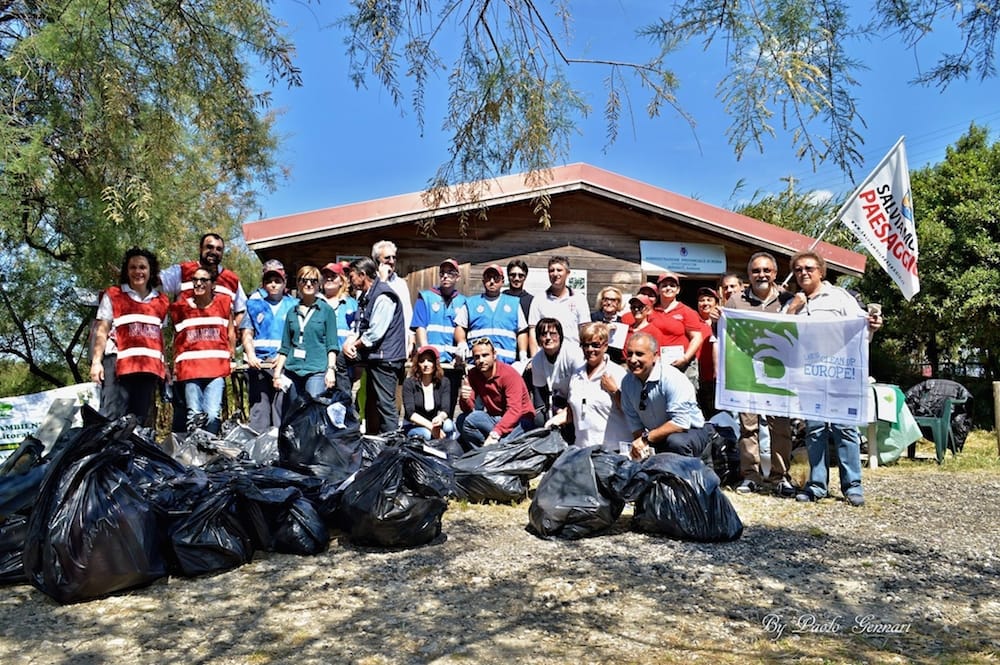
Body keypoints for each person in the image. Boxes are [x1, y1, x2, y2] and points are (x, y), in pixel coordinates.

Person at [783, 250, 882, 506]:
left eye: (809, 268)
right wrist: (793, 309)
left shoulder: (839, 297)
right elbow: (778, 334)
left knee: (845, 429)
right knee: (814, 430)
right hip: (809, 377)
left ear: (821, 272)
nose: (803, 273)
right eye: (798, 269)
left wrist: (872, 325)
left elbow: (862, 328)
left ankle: (853, 487)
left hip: (840, 374)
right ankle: (816, 486)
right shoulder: (793, 302)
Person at [725, 251, 798, 496]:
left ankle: (780, 476)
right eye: (756, 271)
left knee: (781, 426)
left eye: (766, 270)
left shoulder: (789, 299)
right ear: (749, 275)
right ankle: (751, 476)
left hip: (779, 374)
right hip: (747, 372)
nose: (762, 275)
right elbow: (729, 335)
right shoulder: (735, 300)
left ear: (775, 274)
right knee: (748, 426)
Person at [160, 232, 247, 432]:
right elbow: (153, 284)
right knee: (187, 412)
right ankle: (188, 458)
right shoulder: (182, 272)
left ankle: (207, 455)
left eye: (218, 249)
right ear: (200, 249)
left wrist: (228, 345)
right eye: (209, 247)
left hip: (215, 361)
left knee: (211, 413)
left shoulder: (232, 280)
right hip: (188, 362)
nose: (213, 252)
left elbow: (240, 312)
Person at [89, 247, 169, 425]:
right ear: (127, 270)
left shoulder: (161, 301)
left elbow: (159, 335)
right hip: (117, 364)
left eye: (142, 267)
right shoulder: (114, 295)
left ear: (150, 271)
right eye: (133, 267)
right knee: (112, 416)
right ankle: (107, 453)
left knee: (138, 420)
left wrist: (165, 366)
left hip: (148, 367)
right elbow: (102, 329)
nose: (138, 272)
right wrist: (96, 362)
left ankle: (131, 452)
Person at [338, 257, 407, 433]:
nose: (350, 281)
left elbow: (375, 333)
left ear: (362, 275)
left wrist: (355, 346)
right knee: (342, 359)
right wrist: (348, 344)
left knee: (385, 404)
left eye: (352, 276)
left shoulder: (384, 296)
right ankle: (343, 404)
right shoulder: (365, 297)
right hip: (373, 355)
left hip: (386, 357)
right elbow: (359, 325)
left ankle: (392, 444)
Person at [620, 332, 710, 460]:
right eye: (629, 354)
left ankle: (685, 476)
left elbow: (680, 422)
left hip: (690, 432)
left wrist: (646, 438)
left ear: (655, 356)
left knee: (675, 442)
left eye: (639, 354)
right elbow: (635, 424)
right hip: (657, 435)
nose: (633, 360)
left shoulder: (671, 378)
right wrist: (641, 445)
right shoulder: (627, 382)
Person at [545, 322, 631, 450]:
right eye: (586, 345)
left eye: (595, 345)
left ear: (605, 346)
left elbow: (632, 412)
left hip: (613, 450)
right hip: (583, 449)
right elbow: (573, 409)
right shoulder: (576, 375)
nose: (590, 349)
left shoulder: (617, 373)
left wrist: (614, 391)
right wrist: (553, 421)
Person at [170, 267, 233, 434]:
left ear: (213, 285)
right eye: (195, 280)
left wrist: (231, 354)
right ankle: (194, 455)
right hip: (191, 371)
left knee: (212, 414)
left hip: (216, 370)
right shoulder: (181, 308)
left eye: (204, 280)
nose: (199, 283)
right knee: (194, 414)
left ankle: (209, 451)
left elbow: (231, 331)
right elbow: (175, 338)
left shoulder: (224, 304)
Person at [270, 266, 339, 414]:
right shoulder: (291, 312)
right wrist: (277, 374)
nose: (308, 284)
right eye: (304, 280)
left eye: (313, 281)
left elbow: (332, 345)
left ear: (319, 284)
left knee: (312, 412)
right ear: (298, 283)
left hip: (316, 370)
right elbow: (285, 346)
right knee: (293, 413)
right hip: (293, 370)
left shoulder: (326, 311)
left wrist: (331, 370)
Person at [240, 260, 298, 433]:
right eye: (269, 281)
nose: (273, 284)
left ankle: (282, 451)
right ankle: (259, 450)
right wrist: (251, 355)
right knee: (259, 410)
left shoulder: (294, 306)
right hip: (258, 365)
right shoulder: (254, 304)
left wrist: (282, 358)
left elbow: (298, 336)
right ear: (263, 283)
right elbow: (247, 333)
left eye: (277, 281)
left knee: (283, 409)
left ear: (285, 283)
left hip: (283, 365)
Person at [457, 337, 535, 449]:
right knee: (462, 420)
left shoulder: (508, 374)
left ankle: (492, 451)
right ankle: (483, 454)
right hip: (495, 417)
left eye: (485, 355)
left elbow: (515, 410)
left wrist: (495, 434)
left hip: (521, 420)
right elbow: (468, 409)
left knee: (505, 445)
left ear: (494, 355)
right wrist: (464, 399)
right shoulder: (474, 374)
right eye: (477, 357)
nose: (481, 360)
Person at [412, 258, 468, 409]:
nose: (445, 276)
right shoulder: (426, 297)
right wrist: (425, 354)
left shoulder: (463, 302)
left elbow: (463, 330)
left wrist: (460, 353)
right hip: (431, 364)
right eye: (442, 273)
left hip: (451, 364)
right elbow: (420, 326)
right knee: (427, 404)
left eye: (450, 273)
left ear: (458, 277)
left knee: (447, 406)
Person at [458, 264, 528, 367]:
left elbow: (522, 331)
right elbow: (460, 326)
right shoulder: (471, 303)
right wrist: (461, 342)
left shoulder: (514, 304)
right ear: (483, 281)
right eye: (488, 277)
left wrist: (523, 353)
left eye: (496, 278)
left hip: (505, 364)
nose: (492, 281)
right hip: (477, 364)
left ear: (502, 281)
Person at [650, 271, 705, 388]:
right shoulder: (651, 311)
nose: (668, 288)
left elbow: (697, 338)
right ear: (658, 290)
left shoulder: (687, 311)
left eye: (672, 285)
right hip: (657, 364)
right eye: (664, 285)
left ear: (678, 290)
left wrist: (685, 359)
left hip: (683, 365)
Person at [527, 256, 589, 355]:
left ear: (567, 273)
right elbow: (533, 330)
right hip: (546, 357)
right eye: (551, 271)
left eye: (559, 270)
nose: (555, 274)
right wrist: (534, 359)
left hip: (573, 355)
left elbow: (585, 330)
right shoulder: (539, 299)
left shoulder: (579, 298)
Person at [529, 317, 585, 429]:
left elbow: (582, 388)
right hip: (559, 399)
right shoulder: (537, 361)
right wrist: (554, 409)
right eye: (544, 334)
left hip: (581, 398)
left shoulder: (573, 354)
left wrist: (567, 411)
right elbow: (540, 396)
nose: (548, 338)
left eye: (553, 334)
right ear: (538, 339)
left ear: (560, 336)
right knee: (539, 418)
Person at [401, 345, 455, 440]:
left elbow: (445, 409)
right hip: (414, 425)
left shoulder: (444, 382)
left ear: (435, 363)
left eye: (430, 360)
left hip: (434, 422)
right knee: (426, 434)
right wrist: (431, 427)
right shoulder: (409, 383)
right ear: (417, 364)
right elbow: (410, 414)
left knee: (449, 426)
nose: (426, 364)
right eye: (422, 361)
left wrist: (439, 418)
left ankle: (448, 450)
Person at [372, 240, 413, 353]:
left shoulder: (401, 284)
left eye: (393, 258)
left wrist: (411, 339)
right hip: (376, 345)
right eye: (387, 258)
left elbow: (407, 313)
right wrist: (382, 280)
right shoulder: (371, 282)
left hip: (397, 345)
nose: (391, 261)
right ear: (377, 260)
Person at [320, 261, 358, 350]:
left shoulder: (352, 304)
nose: (329, 279)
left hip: (343, 357)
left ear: (341, 281)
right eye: (326, 276)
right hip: (319, 357)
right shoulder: (315, 303)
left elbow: (357, 330)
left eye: (333, 276)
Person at [694, 286, 720, 417]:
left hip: (717, 377)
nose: (705, 303)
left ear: (716, 303)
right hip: (698, 376)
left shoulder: (722, 322)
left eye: (709, 300)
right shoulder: (692, 321)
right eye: (701, 300)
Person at [591, 286, 626, 363]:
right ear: (601, 301)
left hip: (616, 363)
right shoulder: (592, 319)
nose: (609, 303)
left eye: (613, 300)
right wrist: (604, 330)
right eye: (606, 299)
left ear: (618, 302)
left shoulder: (623, 322)